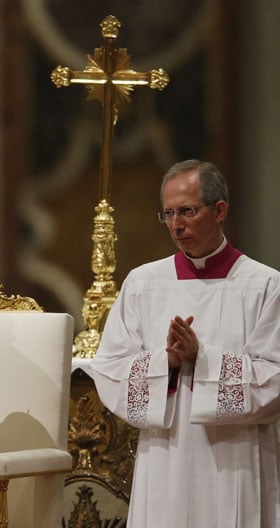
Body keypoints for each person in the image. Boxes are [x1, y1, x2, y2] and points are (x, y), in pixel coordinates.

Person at [90, 159, 280, 527]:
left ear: (219, 210)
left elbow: (275, 377)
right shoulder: (143, 284)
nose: (176, 225)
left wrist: (203, 359)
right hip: (166, 455)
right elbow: (110, 369)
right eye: (168, 214)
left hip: (234, 459)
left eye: (188, 212)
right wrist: (167, 363)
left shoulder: (264, 286)